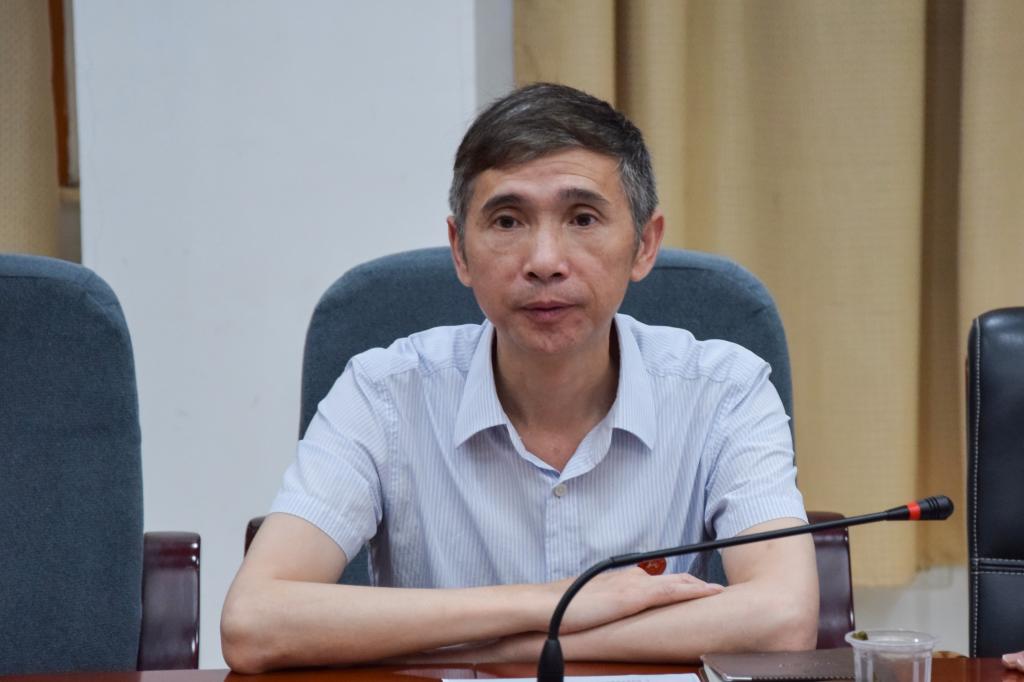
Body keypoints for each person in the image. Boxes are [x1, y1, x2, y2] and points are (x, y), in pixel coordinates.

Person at [221, 82, 819, 673]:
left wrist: (506, 652)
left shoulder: (725, 389)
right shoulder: (382, 392)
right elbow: (254, 622)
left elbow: (783, 618)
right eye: (508, 221)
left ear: (644, 245)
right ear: (460, 250)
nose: (544, 262)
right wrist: (555, 602)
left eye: (582, 218)